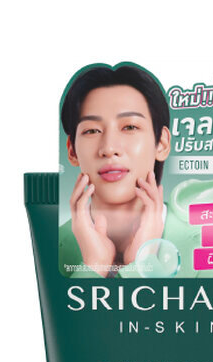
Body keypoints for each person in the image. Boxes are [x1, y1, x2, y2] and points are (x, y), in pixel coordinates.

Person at [59, 65, 171, 277]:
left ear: (162, 143)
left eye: (130, 127)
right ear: (72, 151)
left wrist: (142, 262)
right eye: (92, 130)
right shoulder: (51, 247)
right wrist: (94, 265)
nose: (109, 148)